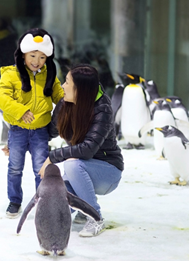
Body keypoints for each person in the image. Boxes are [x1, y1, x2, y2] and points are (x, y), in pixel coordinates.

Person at [39, 64, 124, 237]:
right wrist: (23, 140)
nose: (63, 86)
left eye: (68, 83)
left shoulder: (103, 109)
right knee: (58, 195)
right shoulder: (66, 102)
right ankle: (81, 210)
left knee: (72, 165)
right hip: (81, 168)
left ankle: (95, 217)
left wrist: (52, 157)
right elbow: (50, 131)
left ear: (80, 90)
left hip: (108, 172)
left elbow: (87, 150)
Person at [0, 28, 64, 218]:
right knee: (15, 167)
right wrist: (21, 111)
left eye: (42, 57)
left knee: (40, 168)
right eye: (33, 55)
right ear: (23, 54)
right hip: (18, 129)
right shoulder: (11, 74)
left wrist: (71, 102)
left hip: (40, 130)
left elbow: (59, 95)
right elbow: (1, 98)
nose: (37, 61)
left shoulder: (49, 75)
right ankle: (15, 201)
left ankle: (42, 201)